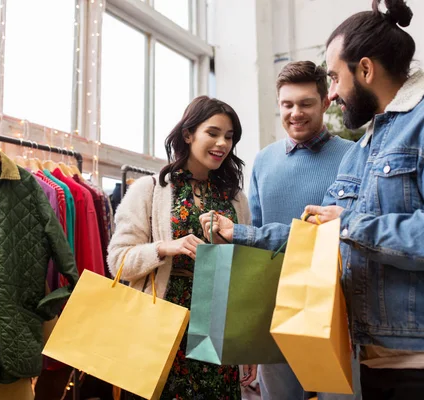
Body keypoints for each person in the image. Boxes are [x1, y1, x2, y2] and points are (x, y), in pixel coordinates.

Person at [301, 0, 424, 399]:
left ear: (366, 69)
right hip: (378, 356)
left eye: (335, 78)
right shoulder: (366, 148)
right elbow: (334, 226)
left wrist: (350, 225)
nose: (332, 93)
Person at [201, 61, 357, 400]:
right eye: (287, 104)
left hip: (335, 306)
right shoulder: (264, 160)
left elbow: (322, 232)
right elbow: (255, 242)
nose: (295, 113)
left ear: (325, 102)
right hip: (277, 307)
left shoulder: (353, 156)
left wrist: (241, 234)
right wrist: (250, 333)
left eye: (305, 103)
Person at [107, 95, 256, 399]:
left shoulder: (236, 199)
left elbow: (244, 275)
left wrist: (247, 341)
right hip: (162, 322)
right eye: (212, 133)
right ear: (188, 134)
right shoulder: (151, 190)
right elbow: (118, 261)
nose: (222, 144)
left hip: (216, 327)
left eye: (229, 137)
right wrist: (163, 248)